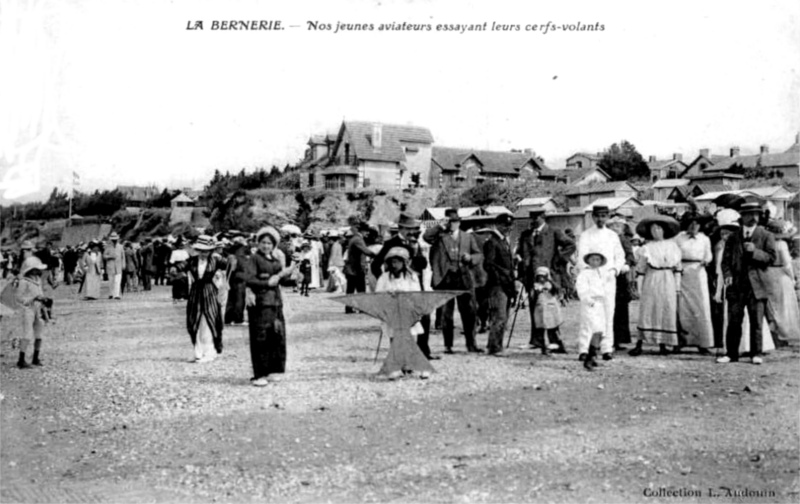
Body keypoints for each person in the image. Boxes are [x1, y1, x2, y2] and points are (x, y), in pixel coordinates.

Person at [718, 201, 777, 365]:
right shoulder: (733, 237)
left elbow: (772, 258)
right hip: (736, 285)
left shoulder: (766, 235)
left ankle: (756, 353)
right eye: (749, 214)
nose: (753, 217)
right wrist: (728, 275)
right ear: (742, 217)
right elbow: (725, 261)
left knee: (756, 321)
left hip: (757, 285)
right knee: (734, 320)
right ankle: (731, 354)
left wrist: (755, 252)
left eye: (756, 214)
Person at [371, 213, 436, 359]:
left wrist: (415, 250)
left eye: (414, 229)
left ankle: (423, 352)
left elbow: (423, 265)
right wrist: (387, 281)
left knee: (424, 318)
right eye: (409, 229)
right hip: (398, 289)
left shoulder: (415, 242)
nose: (412, 232)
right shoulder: (390, 244)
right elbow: (375, 265)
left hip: (415, 287)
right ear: (400, 228)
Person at [422, 208, 484, 354]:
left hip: (463, 277)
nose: (452, 224)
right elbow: (426, 236)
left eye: (455, 221)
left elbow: (478, 254)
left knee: (469, 312)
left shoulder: (467, 237)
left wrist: (471, 258)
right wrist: (439, 226)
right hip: (445, 278)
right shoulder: (439, 236)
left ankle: (471, 344)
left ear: (459, 222)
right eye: (450, 221)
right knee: (446, 313)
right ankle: (447, 345)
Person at [518, 209, 576, 353]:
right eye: (531, 217)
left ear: (543, 217)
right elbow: (521, 253)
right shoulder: (526, 234)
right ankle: (537, 340)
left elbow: (570, 245)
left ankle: (555, 343)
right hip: (531, 278)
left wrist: (557, 262)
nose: (533, 220)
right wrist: (522, 272)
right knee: (534, 309)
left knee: (549, 308)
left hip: (548, 278)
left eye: (536, 217)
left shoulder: (554, 231)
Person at [246, 226, 295, 386]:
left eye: (269, 243)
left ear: (274, 245)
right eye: (263, 242)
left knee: (276, 336)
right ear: (258, 243)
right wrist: (266, 282)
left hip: (275, 303)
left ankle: (274, 369)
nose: (266, 246)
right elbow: (249, 279)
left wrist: (295, 276)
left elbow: (283, 281)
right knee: (261, 338)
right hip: (260, 304)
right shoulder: (254, 259)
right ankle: (259, 373)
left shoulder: (275, 261)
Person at [576, 205, 625, 360]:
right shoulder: (586, 235)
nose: (600, 219)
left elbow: (620, 256)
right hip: (590, 279)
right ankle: (584, 349)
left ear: (608, 217)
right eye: (598, 216)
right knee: (588, 316)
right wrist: (587, 271)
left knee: (608, 314)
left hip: (608, 280)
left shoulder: (612, 235)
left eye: (604, 216)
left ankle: (606, 348)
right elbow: (581, 257)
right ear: (592, 217)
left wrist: (614, 270)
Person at [629, 215, 683, 356]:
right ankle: (639, 344)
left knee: (667, 308)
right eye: (653, 229)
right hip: (652, 278)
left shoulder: (673, 246)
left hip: (668, 279)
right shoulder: (646, 248)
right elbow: (640, 269)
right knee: (648, 309)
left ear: (664, 230)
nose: (656, 231)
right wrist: (639, 287)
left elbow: (678, 268)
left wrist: (677, 287)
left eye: (659, 228)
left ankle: (663, 344)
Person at [374, 246, 429, 379]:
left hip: (408, 312)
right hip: (392, 313)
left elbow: (416, 294)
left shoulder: (412, 277)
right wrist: (389, 295)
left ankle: (411, 365)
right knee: (395, 339)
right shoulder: (384, 278)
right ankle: (396, 366)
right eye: (392, 262)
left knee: (411, 339)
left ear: (404, 263)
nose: (394, 265)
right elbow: (378, 294)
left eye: (397, 262)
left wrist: (406, 297)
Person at [674, 212, 714, 354]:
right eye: (690, 223)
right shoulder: (679, 238)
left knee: (701, 306)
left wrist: (706, 261)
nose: (693, 226)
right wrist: (678, 267)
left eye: (696, 223)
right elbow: (674, 254)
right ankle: (680, 341)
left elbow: (709, 254)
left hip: (699, 272)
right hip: (683, 272)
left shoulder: (704, 239)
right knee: (682, 307)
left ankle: (703, 342)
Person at [185, 235, 227, 363]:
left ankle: (210, 352)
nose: (204, 253)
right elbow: (181, 267)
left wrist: (220, 277)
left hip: (210, 292)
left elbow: (230, 266)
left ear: (211, 251)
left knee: (209, 322)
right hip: (195, 293)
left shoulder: (217, 261)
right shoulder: (191, 261)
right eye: (202, 250)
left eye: (207, 251)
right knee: (194, 322)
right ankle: (198, 352)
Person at [481, 213, 516, 356]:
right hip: (497, 284)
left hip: (506, 283)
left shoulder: (504, 242)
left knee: (504, 316)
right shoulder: (492, 242)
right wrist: (501, 276)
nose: (508, 228)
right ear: (498, 225)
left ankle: (496, 344)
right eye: (505, 225)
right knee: (499, 316)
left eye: (510, 225)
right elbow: (488, 264)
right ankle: (494, 347)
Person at [763, 220, 800, 344]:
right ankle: (782, 333)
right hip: (780, 274)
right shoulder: (782, 245)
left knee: (772, 304)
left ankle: (774, 331)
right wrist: (792, 278)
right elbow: (786, 264)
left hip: (768, 272)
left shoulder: (766, 243)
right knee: (783, 304)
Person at [607, 216, 636, 351]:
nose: (615, 228)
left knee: (620, 308)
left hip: (619, 277)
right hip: (606, 274)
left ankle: (619, 339)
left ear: (623, 228)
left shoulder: (624, 240)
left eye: (618, 226)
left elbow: (630, 256)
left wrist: (626, 264)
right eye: (613, 226)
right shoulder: (605, 239)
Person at [15, 257, 49, 369]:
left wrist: (43, 300)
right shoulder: (23, 282)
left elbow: (40, 293)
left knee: (39, 334)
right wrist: (32, 299)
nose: (38, 271)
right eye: (35, 269)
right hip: (27, 309)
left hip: (38, 308)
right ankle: (21, 359)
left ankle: (35, 357)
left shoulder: (37, 280)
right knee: (27, 334)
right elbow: (19, 298)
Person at [576, 252, 608, 371]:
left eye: (598, 260)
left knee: (599, 329)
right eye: (593, 259)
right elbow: (581, 289)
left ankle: (593, 352)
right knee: (588, 327)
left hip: (600, 303)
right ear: (588, 261)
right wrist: (588, 300)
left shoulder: (601, 273)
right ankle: (583, 350)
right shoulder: (584, 274)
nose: (595, 262)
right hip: (590, 303)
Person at [343, 217, 377, 312]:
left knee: (350, 289)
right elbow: (366, 251)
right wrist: (376, 255)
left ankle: (349, 308)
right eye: (366, 231)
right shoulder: (358, 239)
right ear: (362, 231)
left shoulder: (354, 238)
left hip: (351, 268)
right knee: (361, 288)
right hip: (356, 268)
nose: (368, 233)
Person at [532, 266, 564, 357]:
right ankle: (543, 347)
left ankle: (557, 346)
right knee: (541, 330)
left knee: (553, 329)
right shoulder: (536, 285)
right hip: (541, 310)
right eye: (539, 276)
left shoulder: (550, 285)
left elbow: (556, 291)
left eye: (543, 276)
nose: (541, 278)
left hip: (551, 310)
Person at [103, 232, 125, 299]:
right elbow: (104, 256)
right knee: (111, 281)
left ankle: (116, 295)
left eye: (115, 240)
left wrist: (123, 265)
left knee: (117, 281)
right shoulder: (108, 247)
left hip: (118, 266)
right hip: (110, 266)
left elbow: (123, 257)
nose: (114, 241)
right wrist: (110, 257)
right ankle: (111, 294)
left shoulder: (120, 246)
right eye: (113, 240)